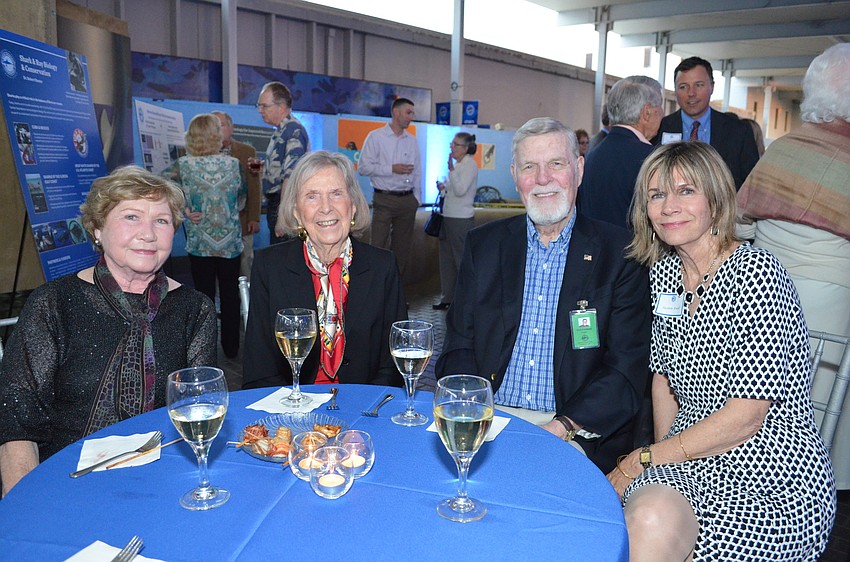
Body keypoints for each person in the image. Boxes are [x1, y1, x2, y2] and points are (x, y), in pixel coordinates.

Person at [609, 141, 835, 561]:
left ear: (716, 200)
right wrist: (665, 466)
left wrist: (644, 459)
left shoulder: (756, 274)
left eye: (685, 191)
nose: (669, 206)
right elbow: (663, 380)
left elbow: (746, 417)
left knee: (645, 516)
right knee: (649, 514)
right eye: (657, 195)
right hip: (691, 453)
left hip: (770, 471)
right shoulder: (665, 274)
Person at [435, 117, 651, 473]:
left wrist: (562, 426)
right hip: (492, 421)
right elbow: (459, 344)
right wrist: (472, 409)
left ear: (579, 169)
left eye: (556, 164)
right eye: (529, 167)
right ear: (514, 175)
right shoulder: (484, 247)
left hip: (571, 429)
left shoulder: (621, 253)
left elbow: (625, 370)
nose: (543, 179)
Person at [0, 166, 217, 496]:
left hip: (161, 482)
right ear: (97, 227)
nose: (148, 233)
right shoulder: (54, 303)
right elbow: (17, 423)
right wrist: (24, 506)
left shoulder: (194, 309)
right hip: (63, 482)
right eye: (131, 217)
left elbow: (200, 412)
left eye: (161, 220)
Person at [737, 43, 850, 490]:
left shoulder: (782, 149)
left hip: (764, 294)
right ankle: (812, 491)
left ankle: (757, 481)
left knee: (762, 393)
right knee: (823, 404)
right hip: (833, 301)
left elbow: (742, 220)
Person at [243, 151, 407, 389]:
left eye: (336, 194)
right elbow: (259, 366)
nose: (326, 208)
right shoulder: (270, 266)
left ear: (352, 206)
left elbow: (394, 361)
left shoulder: (383, 266)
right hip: (292, 409)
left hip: (365, 411)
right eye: (312, 196)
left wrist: (362, 410)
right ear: (297, 212)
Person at [164, 113, 246, 359]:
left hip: (200, 242)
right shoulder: (233, 164)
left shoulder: (183, 165)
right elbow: (242, 200)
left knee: (204, 296)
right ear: (216, 136)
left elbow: (160, 184)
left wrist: (184, 209)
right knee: (231, 296)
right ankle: (232, 349)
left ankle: (205, 351)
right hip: (230, 241)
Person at [652, 57, 759, 189]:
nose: (691, 93)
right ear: (675, 91)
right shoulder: (659, 129)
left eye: (699, 85)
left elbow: (751, 184)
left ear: (712, 87)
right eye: (683, 87)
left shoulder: (739, 131)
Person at [579, 75, 663, 230]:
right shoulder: (652, 159)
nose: (662, 114)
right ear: (647, 113)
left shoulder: (593, 155)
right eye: (659, 108)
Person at [358, 97, 421, 279]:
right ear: (396, 112)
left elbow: (418, 171)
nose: (411, 117)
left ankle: (396, 291)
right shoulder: (376, 137)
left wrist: (417, 199)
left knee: (402, 250)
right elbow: (363, 167)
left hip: (407, 201)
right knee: (377, 247)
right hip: (384, 199)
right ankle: (373, 289)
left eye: (412, 113)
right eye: (408, 112)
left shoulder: (412, 140)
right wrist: (391, 169)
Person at [257, 81, 310, 245]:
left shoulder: (293, 130)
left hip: (285, 203)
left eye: (264, 106)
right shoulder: (281, 130)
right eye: (259, 106)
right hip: (277, 202)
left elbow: (291, 175)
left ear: (281, 107)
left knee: (284, 255)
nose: (260, 111)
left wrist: (283, 215)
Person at [211, 110, 262, 278]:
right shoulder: (203, 155)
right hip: (214, 224)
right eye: (214, 126)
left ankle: (247, 300)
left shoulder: (247, 151)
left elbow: (254, 185)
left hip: (241, 218)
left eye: (222, 125)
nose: (218, 129)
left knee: (245, 261)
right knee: (218, 268)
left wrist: (254, 217)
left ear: (231, 128)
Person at [433, 132, 478, 310]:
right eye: (452, 144)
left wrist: (451, 171)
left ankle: (465, 300)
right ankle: (447, 297)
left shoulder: (469, 165)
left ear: (465, 148)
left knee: (460, 259)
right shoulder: (458, 166)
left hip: (460, 219)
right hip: (447, 217)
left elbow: (460, 190)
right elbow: (452, 191)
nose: (452, 148)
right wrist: (443, 188)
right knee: (446, 259)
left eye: (455, 145)